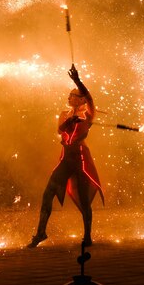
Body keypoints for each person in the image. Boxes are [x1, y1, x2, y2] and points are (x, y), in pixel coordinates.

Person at [27, 64, 104, 248]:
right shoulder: (64, 114)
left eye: (72, 95)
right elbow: (60, 130)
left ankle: (87, 236)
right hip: (66, 158)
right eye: (69, 94)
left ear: (80, 100)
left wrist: (77, 80)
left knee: (84, 201)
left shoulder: (88, 113)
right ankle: (41, 232)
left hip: (81, 159)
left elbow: (90, 97)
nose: (69, 97)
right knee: (48, 194)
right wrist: (71, 119)